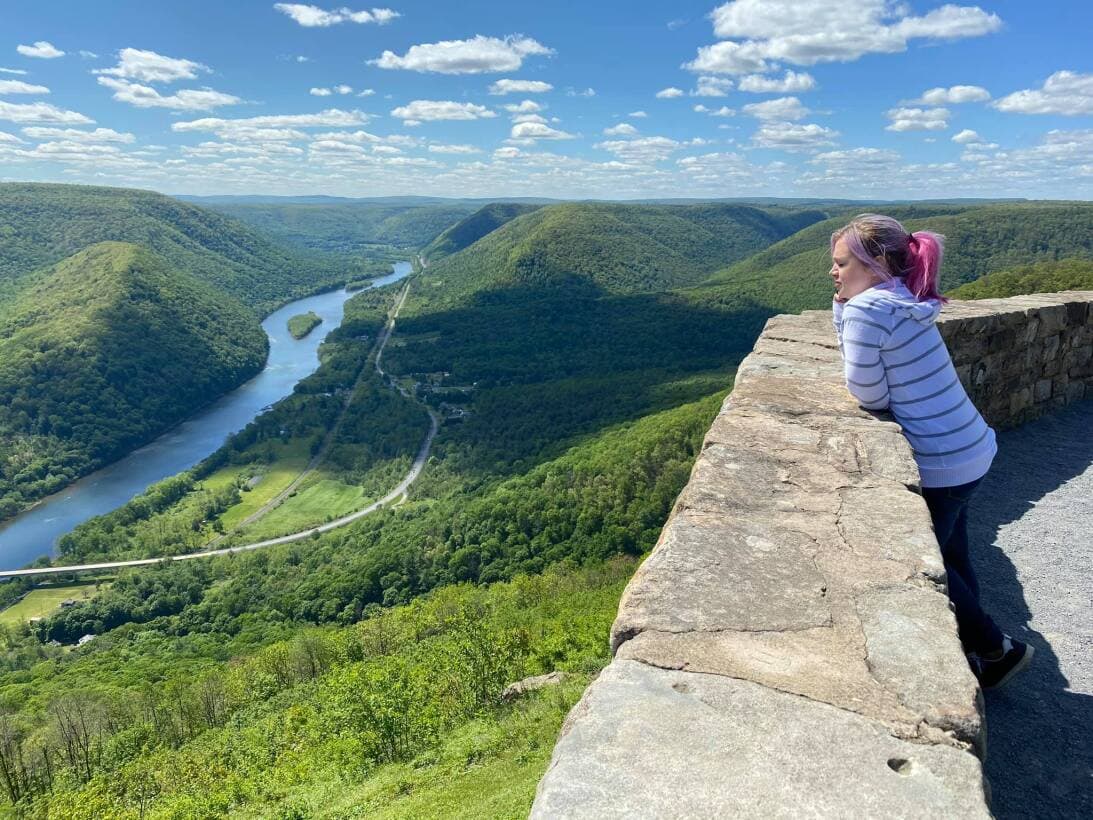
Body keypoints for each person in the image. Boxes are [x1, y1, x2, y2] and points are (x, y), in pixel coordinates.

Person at [829, 213, 1033, 690]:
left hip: (941, 459)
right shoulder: (901, 299)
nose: (833, 273)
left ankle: (996, 650)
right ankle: (974, 650)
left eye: (841, 264)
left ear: (876, 261)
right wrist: (843, 304)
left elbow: (866, 390)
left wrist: (844, 310)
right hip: (971, 446)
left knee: (934, 564)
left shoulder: (867, 310)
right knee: (955, 552)